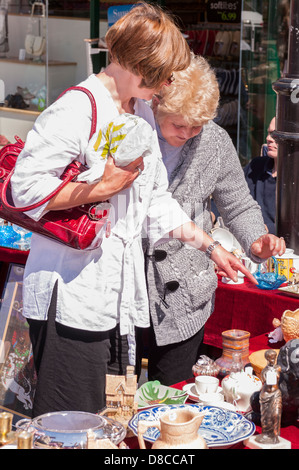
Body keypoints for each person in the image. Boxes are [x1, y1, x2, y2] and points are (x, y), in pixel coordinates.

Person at [10, 3, 256, 417]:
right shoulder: (78, 107)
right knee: (70, 426)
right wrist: (98, 188)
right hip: (72, 295)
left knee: (108, 422)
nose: (166, 84)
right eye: (163, 73)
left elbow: (155, 201)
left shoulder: (138, 109)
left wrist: (211, 247)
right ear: (139, 62)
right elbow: (24, 191)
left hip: (113, 301)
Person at [143, 54, 285, 386]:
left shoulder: (215, 142)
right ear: (156, 104)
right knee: (117, 397)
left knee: (173, 398)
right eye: (179, 125)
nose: (189, 133)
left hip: (185, 295)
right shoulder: (136, 131)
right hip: (128, 285)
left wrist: (255, 240)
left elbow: (237, 204)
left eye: (198, 125)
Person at [244, 117, 277, 235]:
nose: (268, 138)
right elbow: (230, 195)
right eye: (269, 133)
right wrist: (213, 214)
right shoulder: (256, 166)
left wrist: (267, 228)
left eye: (275, 135)